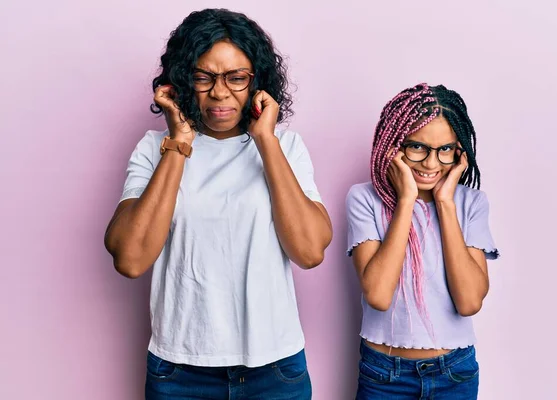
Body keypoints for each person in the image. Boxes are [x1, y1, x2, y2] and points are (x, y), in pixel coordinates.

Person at [104, 9, 332, 399]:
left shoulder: (286, 148)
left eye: (236, 78)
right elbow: (130, 258)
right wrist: (179, 142)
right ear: (182, 80)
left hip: (275, 370)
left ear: (257, 82)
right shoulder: (152, 148)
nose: (220, 92)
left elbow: (309, 252)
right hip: (180, 372)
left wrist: (266, 141)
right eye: (203, 77)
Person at [346, 83, 499, 399]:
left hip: (454, 374)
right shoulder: (365, 199)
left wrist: (445, 203)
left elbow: (469, 301)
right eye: (418, 147)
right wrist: (406, 200)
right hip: (384, 375)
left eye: (445, 149)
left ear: (459, 150)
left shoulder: (471, 203)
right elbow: (377, 294)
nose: (431, 164)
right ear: (393, 144)